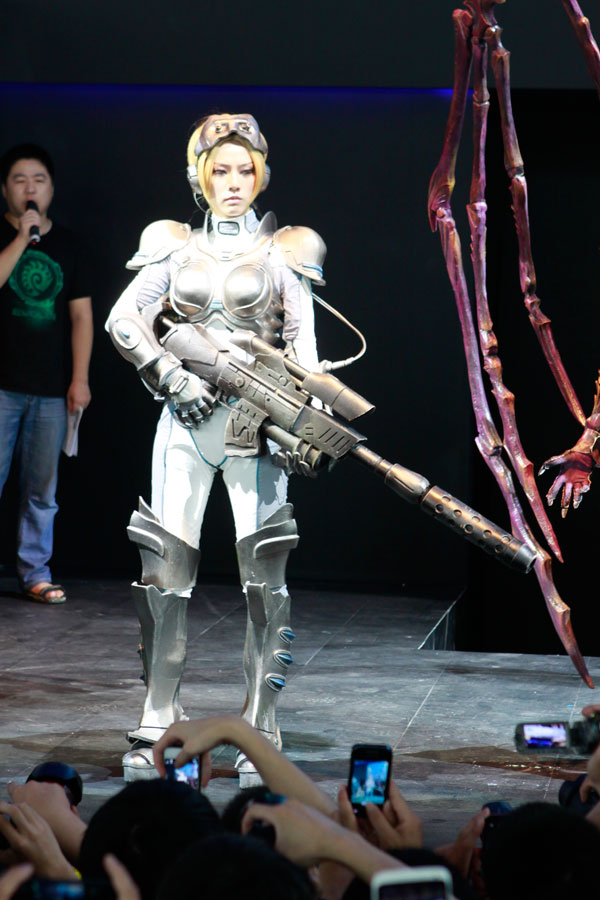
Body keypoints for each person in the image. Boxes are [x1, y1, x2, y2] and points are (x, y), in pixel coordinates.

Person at [107, 113, 325, 781]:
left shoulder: (286, 251)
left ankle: (261, 722)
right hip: (185, 419)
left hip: (258, 425)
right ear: (199, 176)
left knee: (265, 577)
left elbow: (305, 349)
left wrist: (305, 420)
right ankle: (157, 714)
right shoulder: (171, 245)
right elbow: (124, 319)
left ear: (262, 175)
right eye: (220, 170)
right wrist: (171, 375)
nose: (233, 182)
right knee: (165, 569)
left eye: (245, 170)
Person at [0, 144, 93, 604]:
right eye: (19, 180)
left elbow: (81, 317)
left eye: (38, 180)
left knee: (41, 490)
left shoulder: (70, 244)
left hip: (52, 389)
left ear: (51, 189)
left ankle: (35, 572)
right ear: (5, 190)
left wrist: (80, 379)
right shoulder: (6, 235)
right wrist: (21, 238)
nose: (29, 188)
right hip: (1, 386)